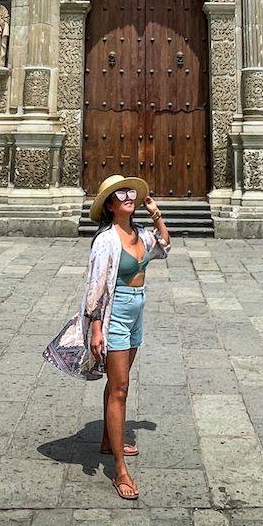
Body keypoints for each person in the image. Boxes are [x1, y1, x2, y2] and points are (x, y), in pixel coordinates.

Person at [42, 174, 170, 501]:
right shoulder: (106, 240)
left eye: (132, 193)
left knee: (116, 384)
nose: (129, 197)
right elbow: (96, 286)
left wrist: (155, 212)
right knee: (122, 387)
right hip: (114, 314)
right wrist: (96, 327)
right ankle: (119, 469)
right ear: (110, 205)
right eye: (121, 194)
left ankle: (105, 440)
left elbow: (164, 247)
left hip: (136, 313)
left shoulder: (140, 233)